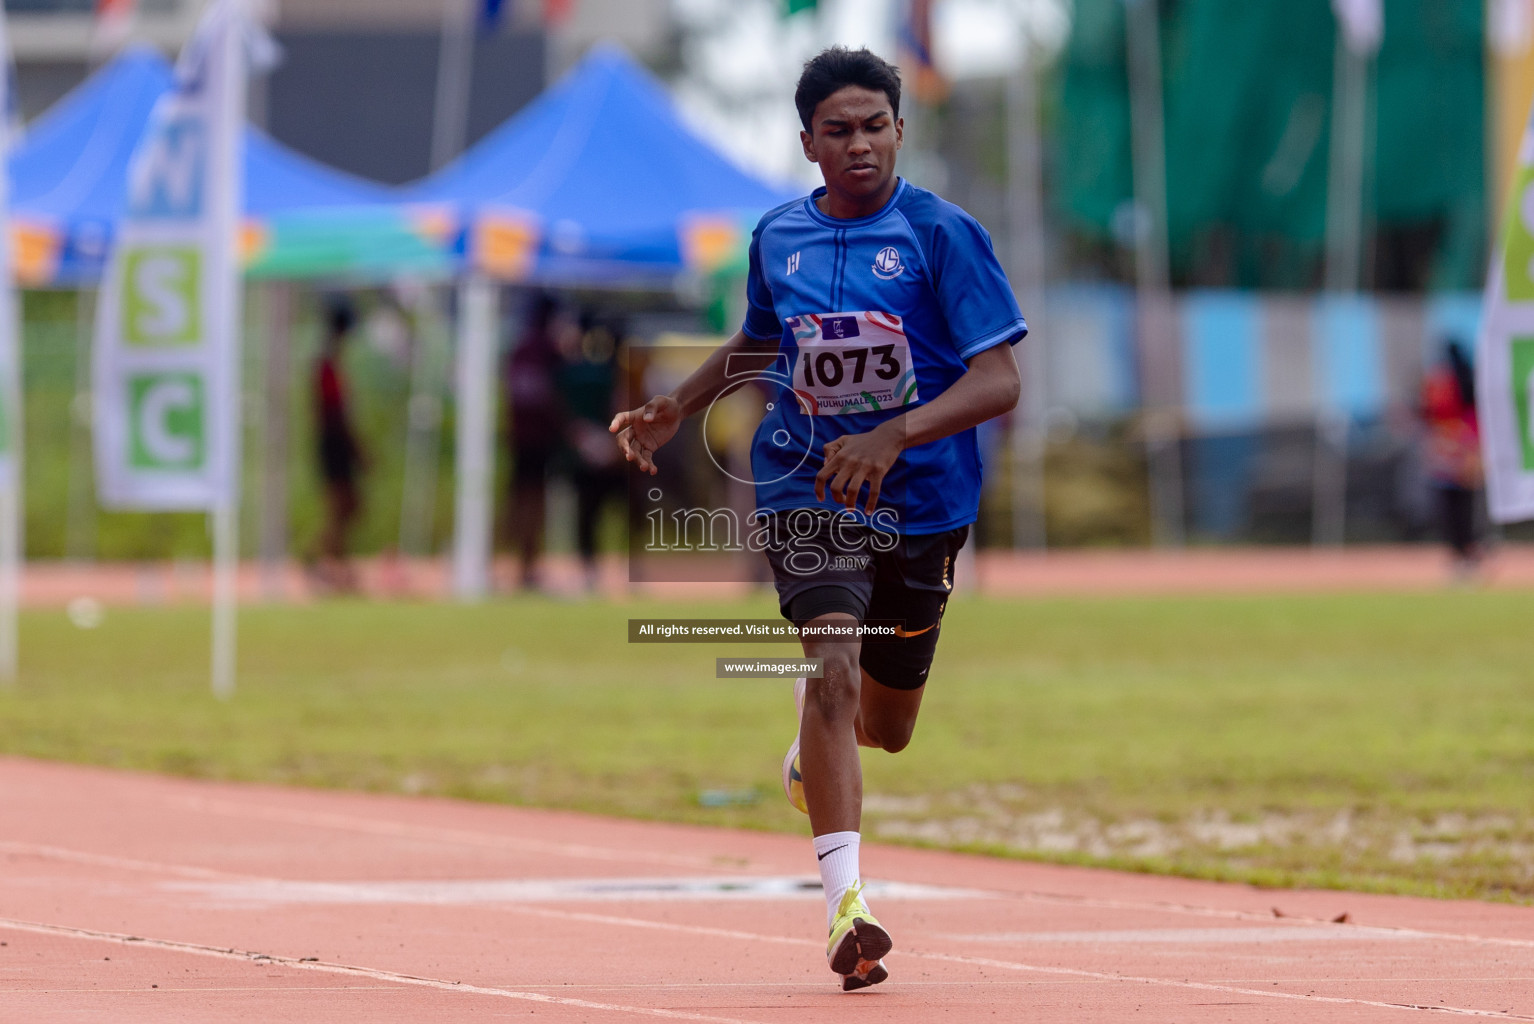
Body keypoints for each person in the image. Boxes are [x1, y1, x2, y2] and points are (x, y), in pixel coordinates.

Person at [610, 47, 1025, 991]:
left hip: (923, 501)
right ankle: (848, 903)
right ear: (807, 143)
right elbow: (762, 337)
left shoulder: (943, 234)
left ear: (900, 131)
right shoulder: (778, 237)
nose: (860, 144)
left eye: (875, 125)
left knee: (887, 722)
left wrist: (893, 435)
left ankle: (811, 750)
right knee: (830, 667)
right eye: (838, 130)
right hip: (808, 483)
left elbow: (1000, 379)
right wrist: (679, 403)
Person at [506, 292, 566, 591]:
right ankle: (527, 564)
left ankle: (525, 563)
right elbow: (549, 399)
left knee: (522, 501)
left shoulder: (520, 349)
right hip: (536, 438)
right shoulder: (545, 351)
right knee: (532, 502)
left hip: (521, 437)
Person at [312, 295, 367, 592]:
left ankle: (333, 562)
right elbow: (333, 415)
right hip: (334, 442)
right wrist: (355, 448)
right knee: (341, 506)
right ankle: (326, 563)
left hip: (334, 441)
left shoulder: (331, 363)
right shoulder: (328, 366)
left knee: (347, 507)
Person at [1421, 340, 1483, 577]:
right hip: (1452, 448)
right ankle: (1463, 552)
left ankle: (1467, 551)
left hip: (1459, 447)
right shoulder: (1442, 382)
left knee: (1460, 507)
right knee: (1456, 507)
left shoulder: (1448, 382)